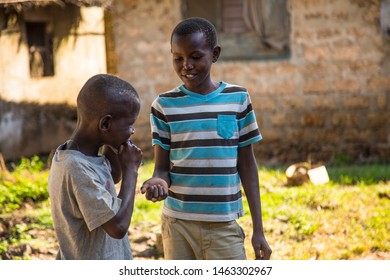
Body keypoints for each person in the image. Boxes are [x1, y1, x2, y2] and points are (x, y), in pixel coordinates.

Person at [141, 17, 272, 260]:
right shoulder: (164, 106)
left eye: (195, 56)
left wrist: (259, 229)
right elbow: (161, 169)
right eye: (178, 58)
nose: (186, 65)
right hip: (177, 224)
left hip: (223, 225)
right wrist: (157, 183)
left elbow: (247, 165)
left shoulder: (238, 98)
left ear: (215, 54)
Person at [48, 74, 163, 259]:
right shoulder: (76, 168)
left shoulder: (85, 157)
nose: (132, 131)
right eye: (130, 124)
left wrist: (118, 141)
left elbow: (113, 175)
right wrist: (131, 171)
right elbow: (117, 227)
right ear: (106, 123)